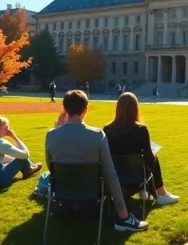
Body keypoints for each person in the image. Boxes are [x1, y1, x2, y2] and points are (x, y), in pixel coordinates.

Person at [45, 90, 148, 232]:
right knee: (110, 175)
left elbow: (51, 166)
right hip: (92, 191)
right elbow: (110, 173)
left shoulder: (51, 135)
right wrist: (124, 215)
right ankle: (124, 220)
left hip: (64, 190)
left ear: (64, 109)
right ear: (86, 108)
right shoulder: (97, 135)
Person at [103, 92, 180, 205]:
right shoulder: (141, 129)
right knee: (153, 156)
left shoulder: (107, 129)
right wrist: (153, 153)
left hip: (115, 174)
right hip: (136, 175)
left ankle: (150, 193)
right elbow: (149, 159)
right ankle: (161, 193)